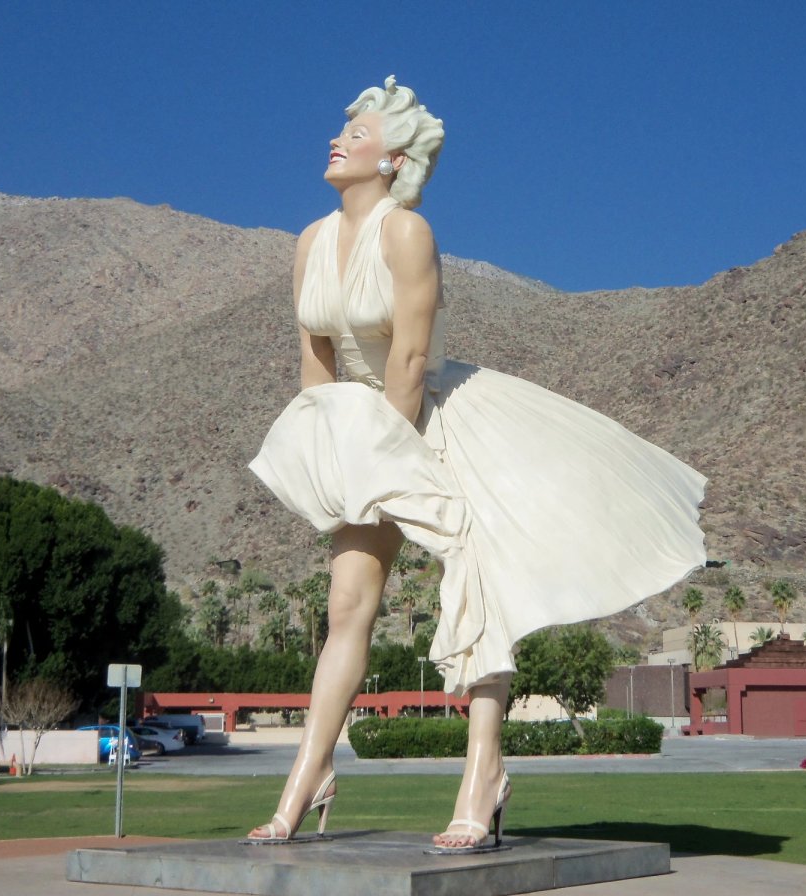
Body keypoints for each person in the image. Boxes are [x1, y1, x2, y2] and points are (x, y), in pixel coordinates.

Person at [247, 76, 706, 851]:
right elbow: (314, 364)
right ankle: (308, 778)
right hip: (358, 429)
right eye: (341, 129)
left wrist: (388, 455)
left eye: (355, 133)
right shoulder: (310, 241)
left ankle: (484, 771)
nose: (337, 139)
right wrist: (330, 460)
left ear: (391, 160)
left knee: (478, 586)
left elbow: (413, 357)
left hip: (428, 416)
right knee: (347, 608)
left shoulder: (406, 235)